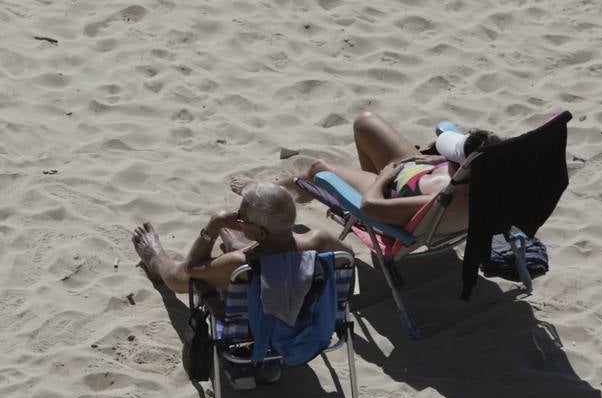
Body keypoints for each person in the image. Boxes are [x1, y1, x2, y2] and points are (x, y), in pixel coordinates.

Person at [233, 111, 500, 229]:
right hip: (414, 171)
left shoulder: (440, 200)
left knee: (318, 169)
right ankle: (317, 186)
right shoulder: (492, 179)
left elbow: (371, 206)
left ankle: (276, 190)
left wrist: (383, 177)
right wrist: (437, 159)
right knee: (365, 122)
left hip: (387, 190)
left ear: (460, 166)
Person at [131, 182, 348, 295]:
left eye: (241, 217)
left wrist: (214, 224)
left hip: (261, 331)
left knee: (178, 277)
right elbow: (347, 260)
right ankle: (239, 241)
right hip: (309, 328)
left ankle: (156, 261)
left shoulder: (239, 264)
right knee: (238, 245)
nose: (237, 218)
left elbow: (189, 270)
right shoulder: (321, 241)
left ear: (262, 233)